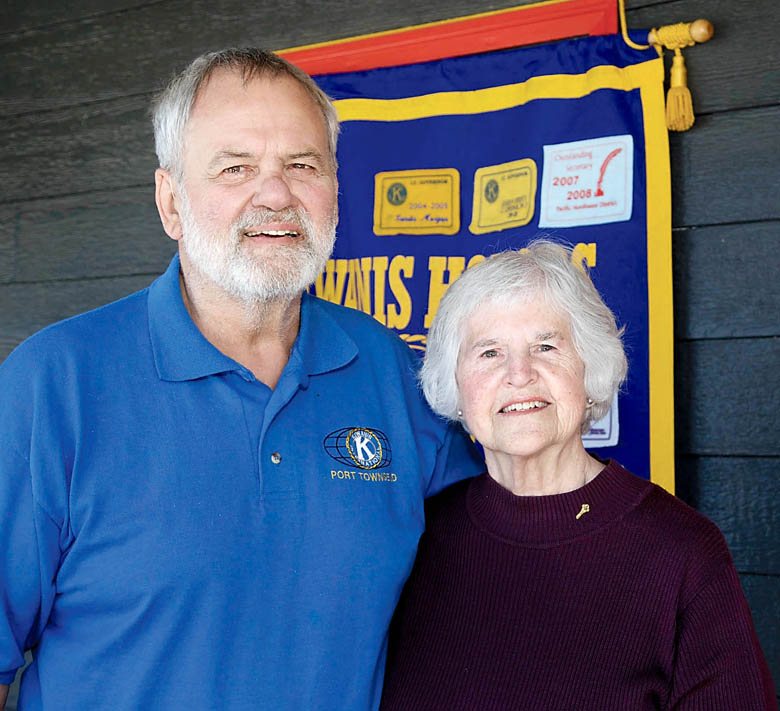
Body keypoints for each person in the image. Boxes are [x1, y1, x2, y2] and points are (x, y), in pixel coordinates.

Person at [0, 48, 482, 710]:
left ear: (336, 189)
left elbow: (495, 581)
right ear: (171, 202)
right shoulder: (53, 384)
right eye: (236, 168)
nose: (276, 194)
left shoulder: (393, 373)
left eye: (303, 165)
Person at [380, 241, 777, 710]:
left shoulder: (681, 552)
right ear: (455, 391)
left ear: (590, 375)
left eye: (545, 346)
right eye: (489, 353)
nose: (519, 374)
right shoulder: (419, 537)